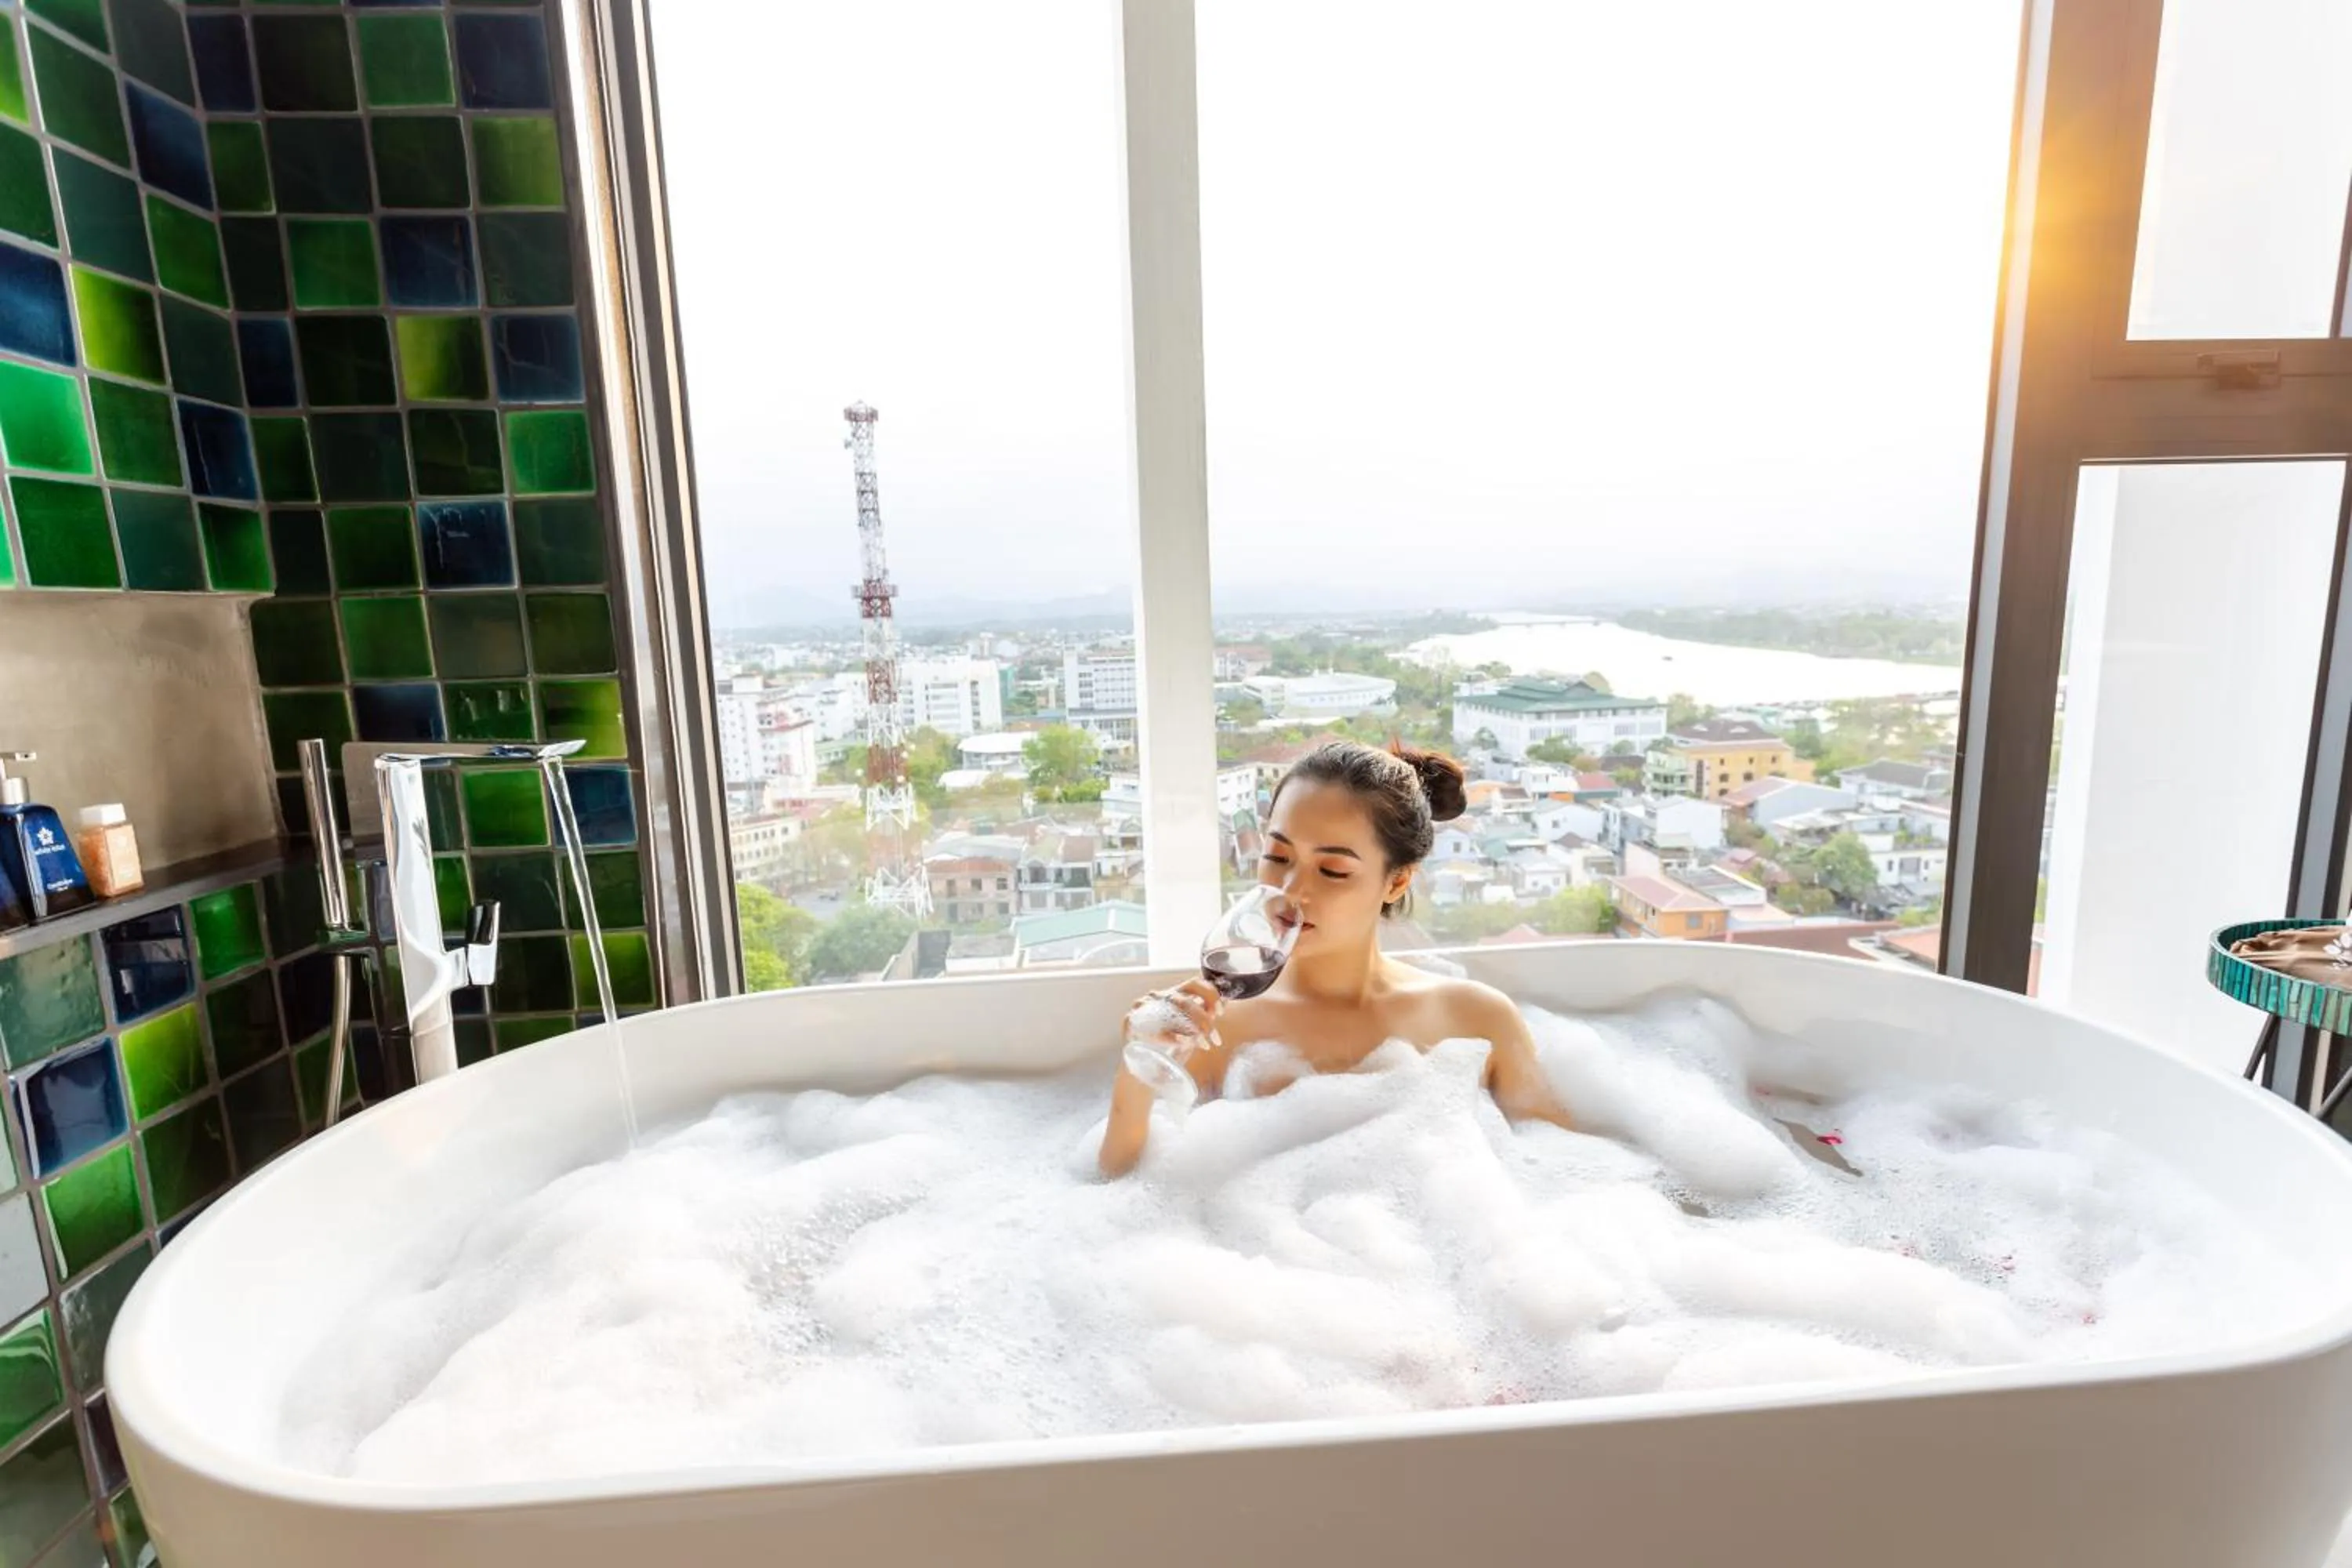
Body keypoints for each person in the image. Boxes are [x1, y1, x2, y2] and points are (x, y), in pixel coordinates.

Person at [1098, 739, 1575, 1178]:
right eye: (1278, 856)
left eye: (1332, 870)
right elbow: (1120, 1180)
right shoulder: (1219, 1025)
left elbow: (1564, 1172)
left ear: (1397, 881)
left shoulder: (1477, 1018)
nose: (1292, 890)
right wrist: (1138, 1069)